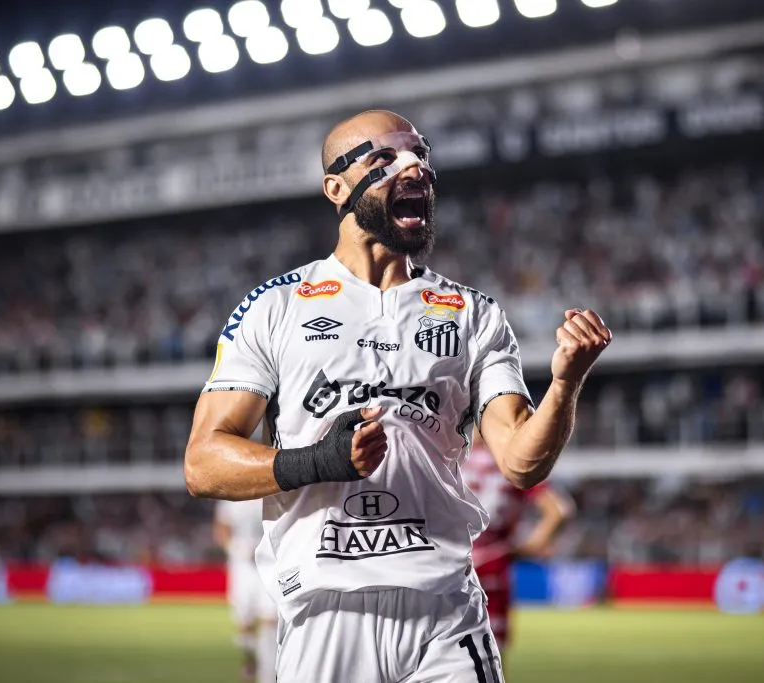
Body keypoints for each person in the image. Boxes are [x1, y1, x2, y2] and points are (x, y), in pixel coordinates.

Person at [184, 109, 611, 683]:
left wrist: (566, 382)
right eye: (383, 158)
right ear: (336, 188)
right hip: (326, 609)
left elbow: (521, 462)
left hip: (447, 607)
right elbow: (203, 463)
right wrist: (319, 461)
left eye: (421, 156)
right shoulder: (274, 307)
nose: (415, 168)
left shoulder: (474, 314)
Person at [463, 428, 575, 651]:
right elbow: (559, 511)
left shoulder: (444, 456)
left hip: (444, 566)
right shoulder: (511, 461)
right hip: (492, 565)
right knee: (490, 656)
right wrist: (528, 549)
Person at [213, 498, 278, 683]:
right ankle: (250, 658)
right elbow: (221, 528)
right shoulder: (231, 497)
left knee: (270, 621)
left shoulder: (270, 490)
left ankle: (268, 675)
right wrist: (234, 547)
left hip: (268, 564)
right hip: (242, 567)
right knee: (245, 623)